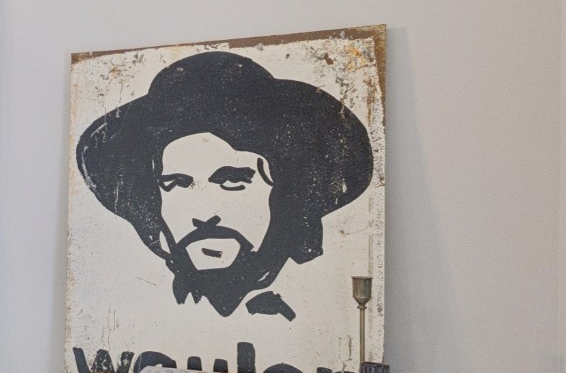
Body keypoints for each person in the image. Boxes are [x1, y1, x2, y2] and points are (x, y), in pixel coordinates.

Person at [75, 50, 373, 321]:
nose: (203, 214)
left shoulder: (329, 308)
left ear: (285, 191)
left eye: (231, 180)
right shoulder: (128, 306)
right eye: (177, 183)